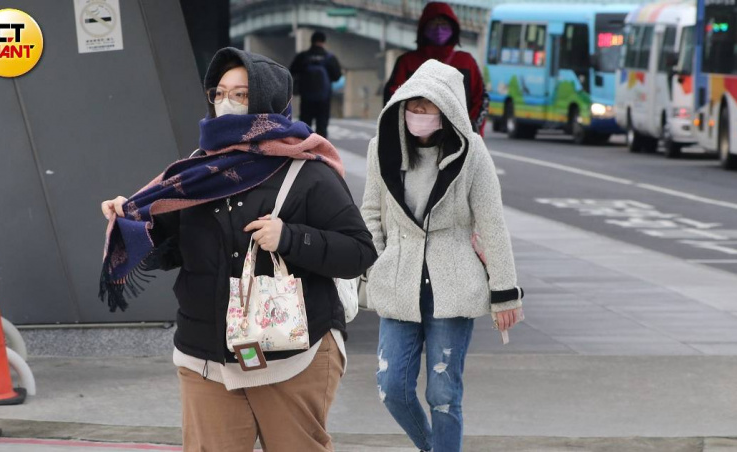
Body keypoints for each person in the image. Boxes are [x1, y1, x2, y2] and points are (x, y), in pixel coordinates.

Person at [99, 48, 376, 452]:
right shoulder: (195, 171)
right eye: (220, 92)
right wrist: (133, 221)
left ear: (268, 101)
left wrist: (290, 238)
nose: (226, 102)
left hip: (292, 355)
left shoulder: (306, 170)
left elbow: (359, 252)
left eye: (242, 94)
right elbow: (171, 248)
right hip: (205, 355)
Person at [362, 59, 524, 452]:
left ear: (448, 108)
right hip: (399, 282)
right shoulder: (381, 147)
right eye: (411, 105)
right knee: (392, 388)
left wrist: (505, 291)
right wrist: (378, 265)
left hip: (452, 286)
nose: (417, 113)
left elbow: (492, 222)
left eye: (427, 106)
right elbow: (371, 212)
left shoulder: (473, 153)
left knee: (443, 392)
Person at [383, 2, 489, 135]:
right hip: (416, 138)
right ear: (423, 28)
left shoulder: (466, 62)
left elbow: (481, 98)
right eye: (434, 24)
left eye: (444, 24)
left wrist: (471, 130)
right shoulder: (407, 62)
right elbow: (392, 99)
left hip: (458, 138)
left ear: (453, 28)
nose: (439, 29)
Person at [290, 31, 342, 138]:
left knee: (305, 127)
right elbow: (337, 76)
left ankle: (305, 151)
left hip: (306, 98)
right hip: (324, 99)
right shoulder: (330, 58)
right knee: (322, 127)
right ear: (324, 42)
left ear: (311, 41)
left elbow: (292, 71)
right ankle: (320, 151)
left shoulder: (303, 57)